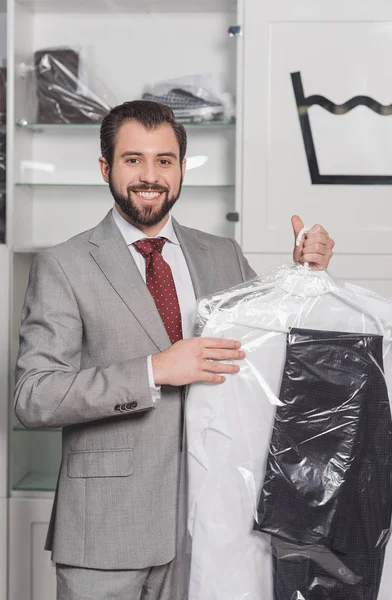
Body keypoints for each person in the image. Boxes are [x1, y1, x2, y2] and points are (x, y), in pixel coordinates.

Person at [14, 100, 335, 600]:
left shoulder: (222, 254)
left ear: (182, 169)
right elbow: (34, 396)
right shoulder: (64, 265)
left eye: (164, 160)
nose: (150, 175)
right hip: (106, 533)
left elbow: (270, 357)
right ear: (106, 168)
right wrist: (154, 370)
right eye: (133, 159)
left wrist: (303, 278)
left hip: (213, 528)